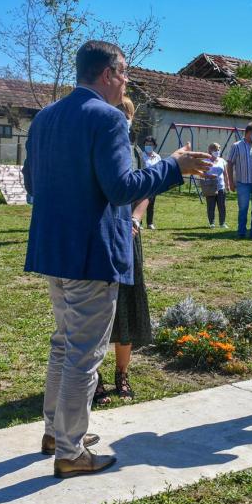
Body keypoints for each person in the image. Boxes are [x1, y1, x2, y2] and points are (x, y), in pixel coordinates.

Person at [23, 40, 210, 478]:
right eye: (124, 73)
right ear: (107, 73)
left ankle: (56, 430)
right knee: (83, 354)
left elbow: (33, 180)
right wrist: (173, 167)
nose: (126, 81)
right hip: (91, 253)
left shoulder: (46, 116)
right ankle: (69, 451)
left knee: (63, 343)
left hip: (54, 248)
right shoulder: (107, 119)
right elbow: (122, 188)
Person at [93, 96, 152, 406]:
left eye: (125, 114)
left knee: (126, 307)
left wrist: (136, 219)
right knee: (98, 309)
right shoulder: (98, 147)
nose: (121, 118)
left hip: (128, 237)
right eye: (118, 113)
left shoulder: (135, 153)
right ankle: (95, 378)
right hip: (102, 236)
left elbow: (145, 191)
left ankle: (122, 374)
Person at [227, 122, 252, 239]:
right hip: (242, 183)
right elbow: (229, 164)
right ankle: (241, 232)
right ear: (248, 133)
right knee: (243, 208)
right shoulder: (236, 146)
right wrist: (230, 181)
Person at [204, 142, 229, 228]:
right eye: (215, 150)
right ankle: (212, 223)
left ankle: (222, 223)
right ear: (210, 150)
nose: (217, 151)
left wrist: (227, 184)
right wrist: (209, 176)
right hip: (210, 186)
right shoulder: (205, 161)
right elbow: (201, 173)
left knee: (222, 205)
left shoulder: (222, 160)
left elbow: (225, 173)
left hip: (221, 186)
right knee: (211, 206)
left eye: (218, 149)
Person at [142, 136, 162, 229]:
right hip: (143, 182)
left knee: (151, 203)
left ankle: (150, 223)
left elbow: (160, 169)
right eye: (146, 144)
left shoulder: (157, 157)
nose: (148, 146)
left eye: (150, 144)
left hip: (154, 183)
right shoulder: (141, 155)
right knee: (140, 202)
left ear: (154, 145)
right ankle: (139, 222)